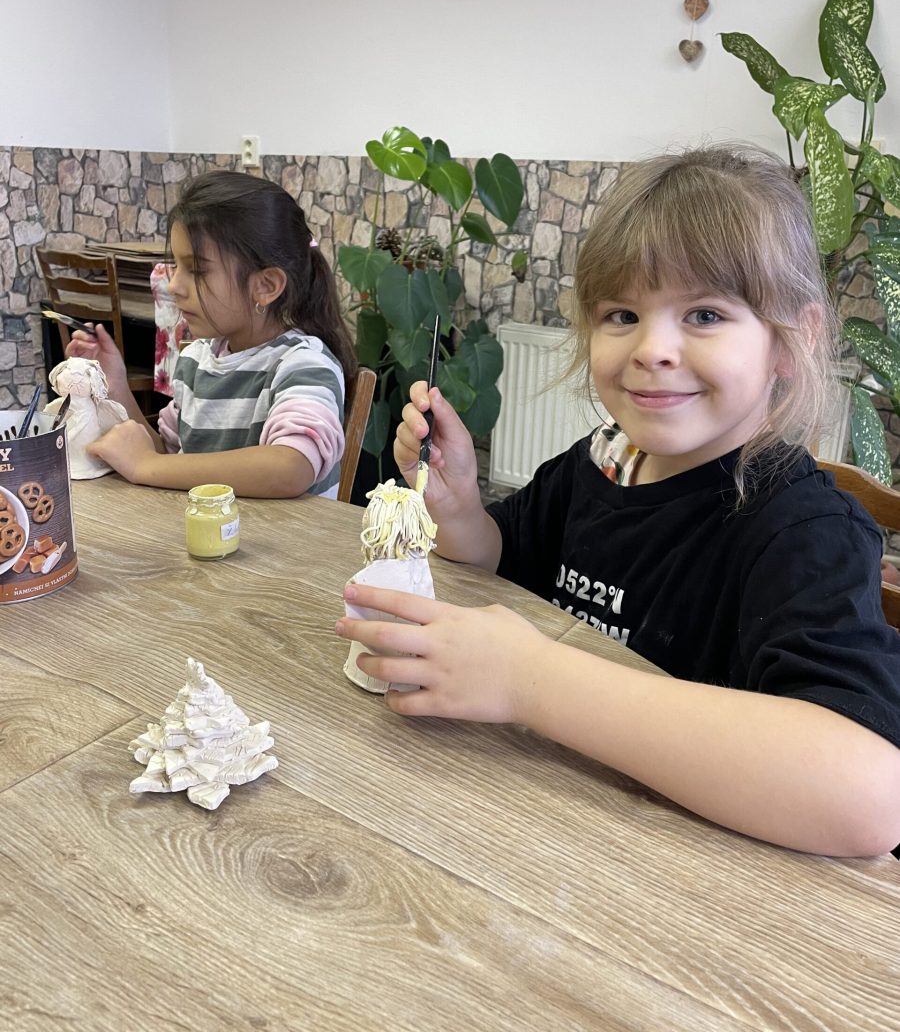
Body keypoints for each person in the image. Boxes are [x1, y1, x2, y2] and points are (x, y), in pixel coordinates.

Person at [335, 144, 900, 857]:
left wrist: (531, 681)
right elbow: (500, 557)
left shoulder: (806, 530)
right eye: (623, 314)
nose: (651, 348)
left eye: (704, 315)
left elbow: (868, 796)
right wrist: (458, 507)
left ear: (792, 340)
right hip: (551, 826)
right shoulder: (603, 462)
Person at [65, 170, 356, 499]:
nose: (174, 286)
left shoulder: (304, 363)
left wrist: (146, 464)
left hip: (289, 535)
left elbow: (291, 468)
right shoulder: (195, 360)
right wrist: (117, 387)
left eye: (197, 270)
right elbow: (169, 459)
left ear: (265, 286)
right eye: (176, 266)